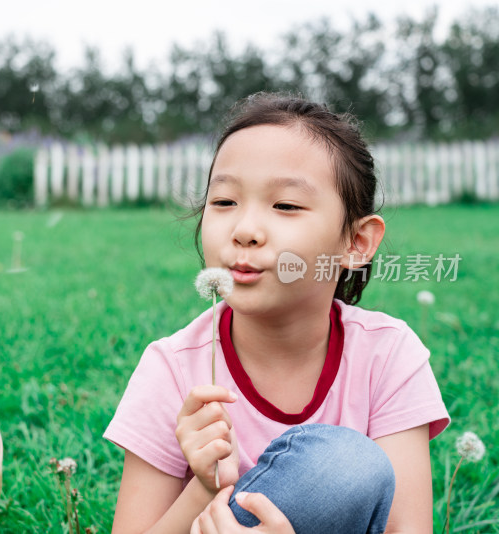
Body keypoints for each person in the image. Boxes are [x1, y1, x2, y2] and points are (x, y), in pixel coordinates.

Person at [103, 92, 450, 534]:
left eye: (285, 205)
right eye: (224, 202)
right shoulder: (172, 368)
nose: (244, 230)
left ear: (357, 243)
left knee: (343, 466)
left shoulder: (388, 355)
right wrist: (206, 489)